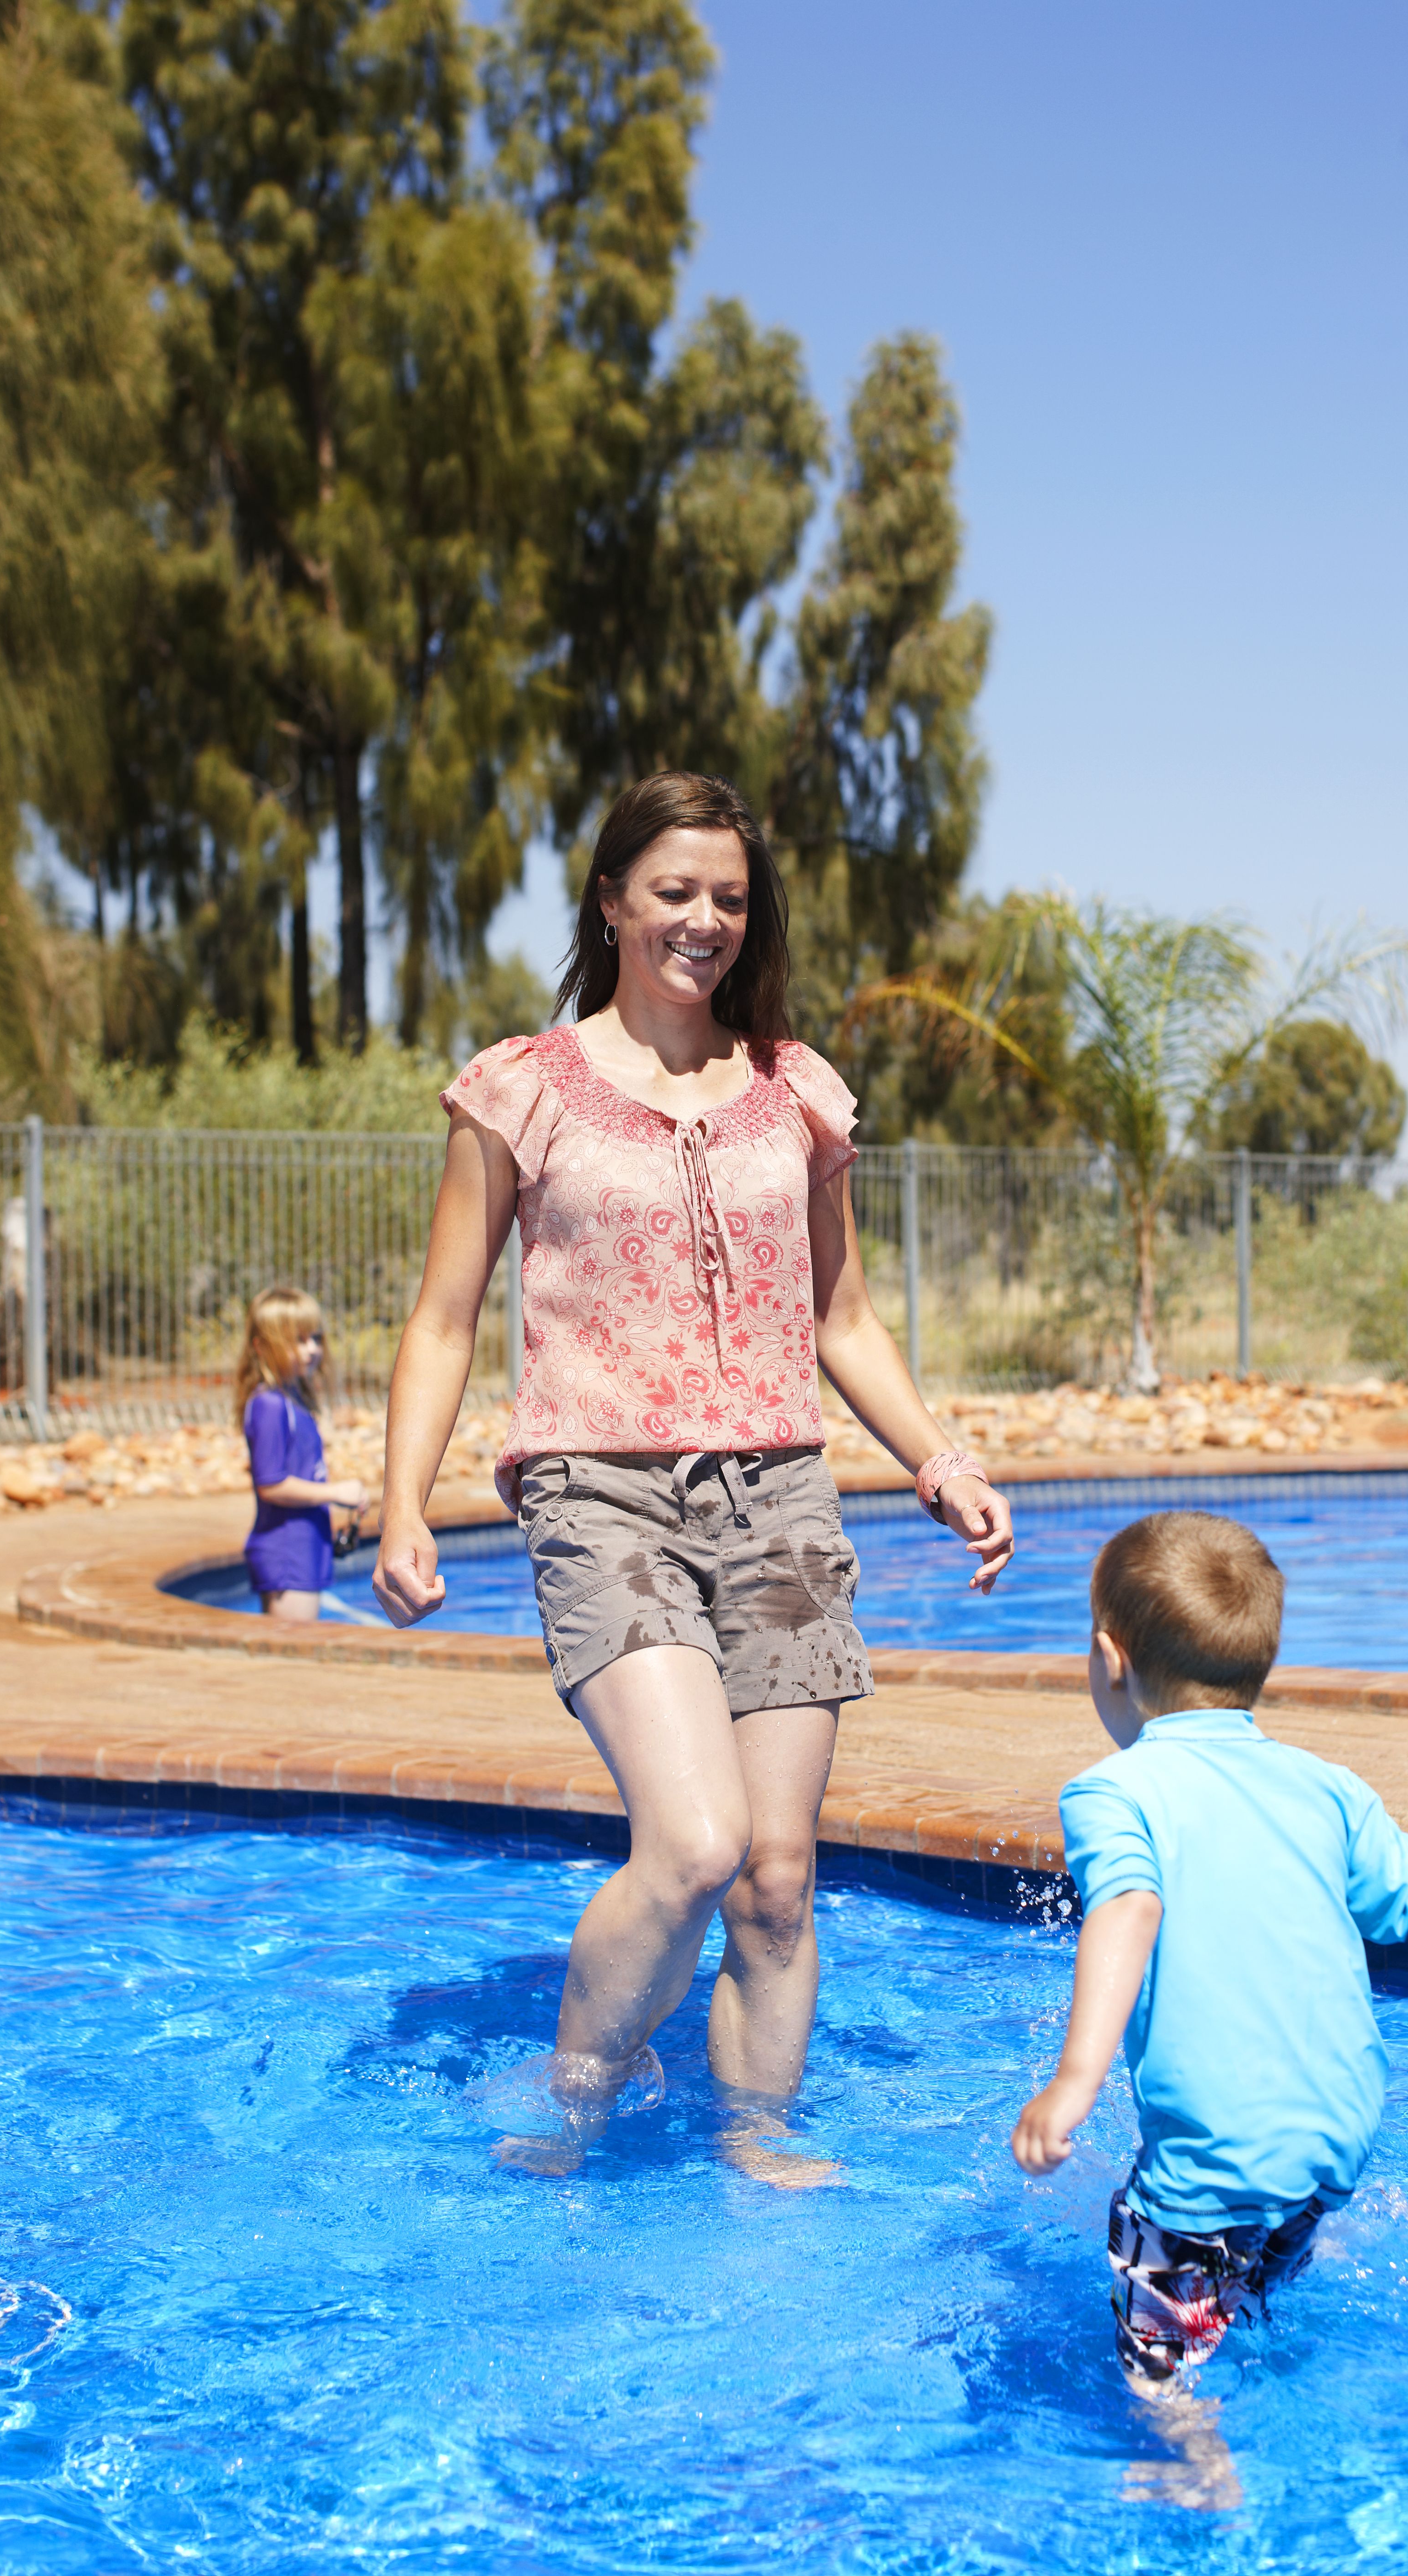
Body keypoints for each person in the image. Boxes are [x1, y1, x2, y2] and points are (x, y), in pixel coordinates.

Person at [374, 770, 1015, 2179]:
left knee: (779, 1878)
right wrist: (407, 1500)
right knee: (694, 1841)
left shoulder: (796, 1091)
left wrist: (939, 1459)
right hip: (599, 1495)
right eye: (674, 891)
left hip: (780, 1499)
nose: (704, 920)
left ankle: (756, 2140)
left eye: (729, 896)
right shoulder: (523, 1091)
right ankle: (577, 2110)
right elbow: (443, 1317)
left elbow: (842, 1316)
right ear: (611, 903)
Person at [1011, 1508, 1408, 2509]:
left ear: (1107, 1661)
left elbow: (1129, 1905)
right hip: (1339, 2135)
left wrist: (1076, 2079)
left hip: (1216, 2151)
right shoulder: (1327, 1787)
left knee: (1154, 2329)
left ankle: (1198, 2467)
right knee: (1254, 2272)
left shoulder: (1112, 1791)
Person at [236, 1285, 368, 1624]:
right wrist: (335, 1493)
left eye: (315, 1338)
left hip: (305, 1547)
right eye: (298, 1340)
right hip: (287, 1554)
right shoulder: (269, 1405)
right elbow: (272, 1485)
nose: (312, 1349)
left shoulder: (293, 1401)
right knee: (290, 1663)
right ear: (262, 1347)